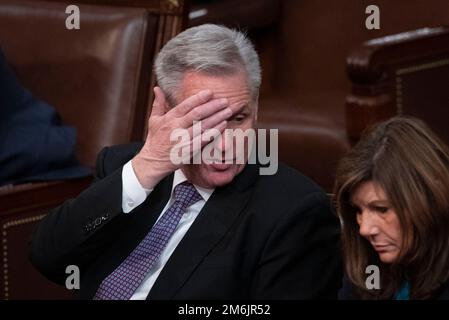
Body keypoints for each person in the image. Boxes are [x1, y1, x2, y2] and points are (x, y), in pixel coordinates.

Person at [30, 24, 341, 300]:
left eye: (238, 118)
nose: (225, 143)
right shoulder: (126, 167)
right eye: (204, 120)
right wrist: (146, 168)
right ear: (165, 110)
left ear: (256, 109)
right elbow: (48, 259)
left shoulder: (295, 212)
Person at [334, 116, 449, 300]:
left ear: (428, 199)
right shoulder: (366, 262)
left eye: (381, 209)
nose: (364, 229)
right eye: (358, 210)